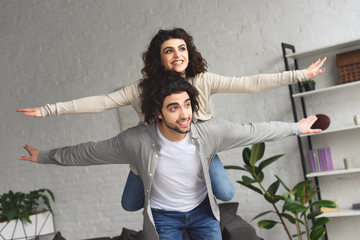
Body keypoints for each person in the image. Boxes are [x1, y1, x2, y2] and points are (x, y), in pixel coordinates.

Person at [16, 28, 326, 212]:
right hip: (153, 152)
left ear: (189, 52)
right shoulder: (139, 90)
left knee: (226, 193)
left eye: (182, 48)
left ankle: (190, 203)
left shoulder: (203, 80)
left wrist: (300, 74)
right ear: (159, 57)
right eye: (169, 50)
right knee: (129, 204)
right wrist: (48, 109)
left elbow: (250, 82)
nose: (177, 54)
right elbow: (100, 102)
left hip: (199, 148)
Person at [19, 71, 321, 240]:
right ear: (158, 112)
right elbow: (89, 152)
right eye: (174, 107)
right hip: (163, 217)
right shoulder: (136, 140)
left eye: (187, 104)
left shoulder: (209, 131)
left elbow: (253, 130)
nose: (184, 113)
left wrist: (296, 127)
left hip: (203, 212)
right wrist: (44, 156)